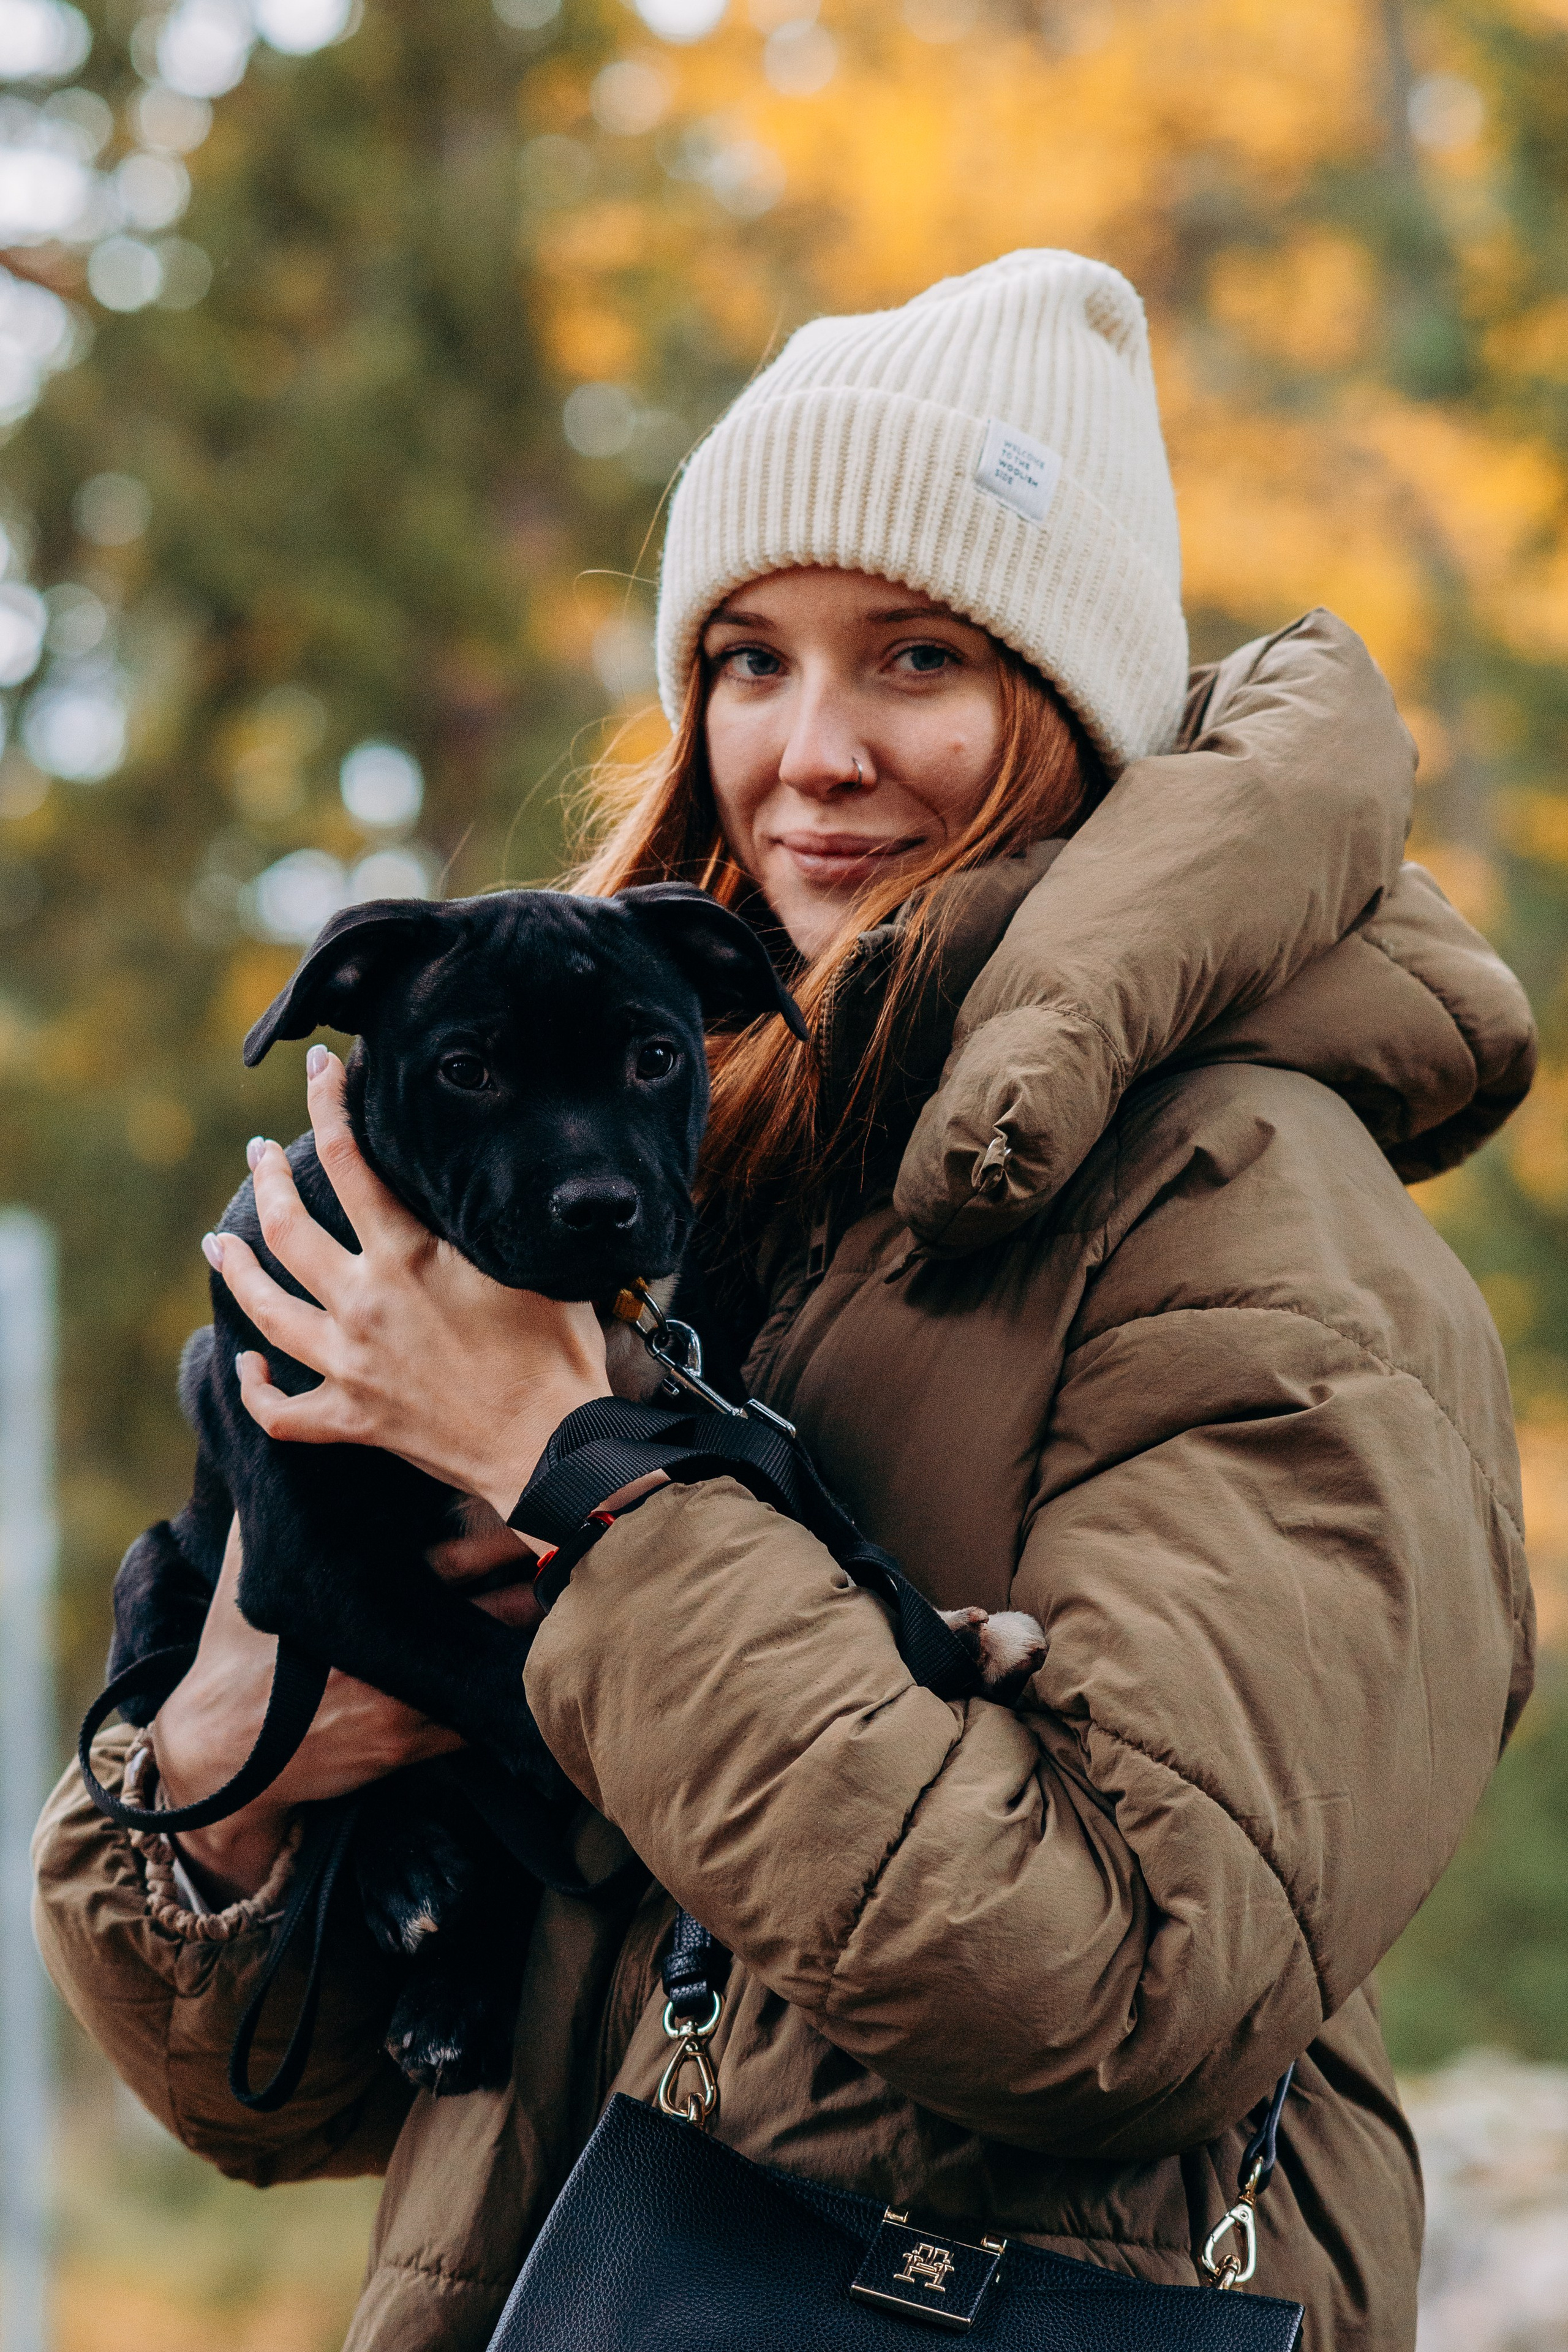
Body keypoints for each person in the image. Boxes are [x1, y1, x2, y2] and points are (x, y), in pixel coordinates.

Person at [36, 251, 1536, 2352]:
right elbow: (293, 2102)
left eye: (913, 655)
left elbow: (1115, 1988)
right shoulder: (686, 1185)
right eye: (748, 661)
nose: (808, 753)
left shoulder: (1256, 1225)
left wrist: (582, 1485)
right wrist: (232, 1758)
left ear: (1068, 702)